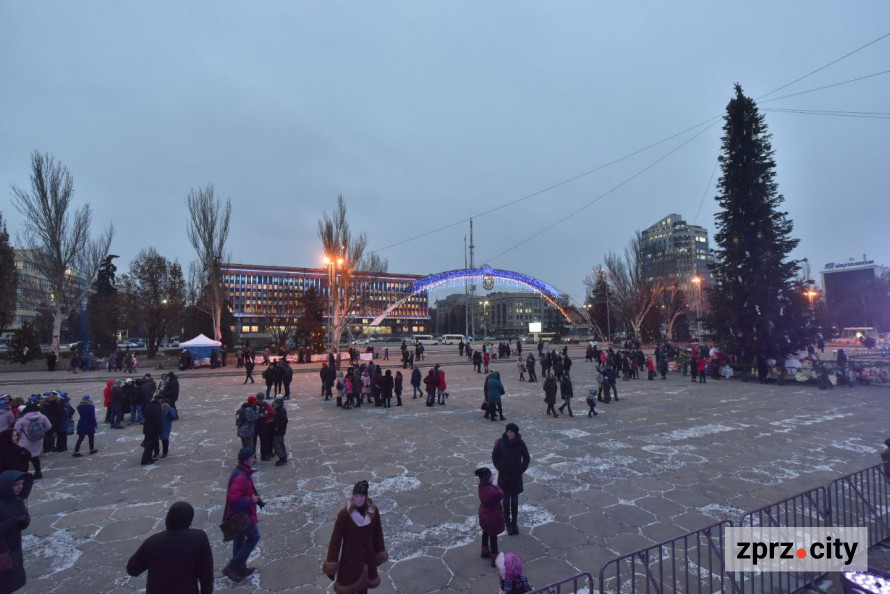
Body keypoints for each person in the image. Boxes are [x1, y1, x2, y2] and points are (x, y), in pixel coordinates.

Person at [126, 501, 214, 594]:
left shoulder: (152, 542)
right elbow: (206, 575)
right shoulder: (199, 538)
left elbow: (132, 570)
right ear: (189, 520)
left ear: (168, 518)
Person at [323, 480, 389, 593]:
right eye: (356, 495)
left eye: (362, 495)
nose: (359, 499)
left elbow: (378, 534)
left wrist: (379, 553)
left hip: (367, 561)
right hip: (349, 563)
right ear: (353, 496)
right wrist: (331, 565)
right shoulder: (344, 515)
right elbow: (335, 542)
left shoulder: (373, 512)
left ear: (366, 496)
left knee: (364, 589)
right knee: (349, 589)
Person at [222, 448, 262, 582]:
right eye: (252, 457)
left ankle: (240, 567)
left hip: (240, 515)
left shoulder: (242, 472)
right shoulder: (241, 477)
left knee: (239, 539)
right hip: (243, 516)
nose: (254, 460)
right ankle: (233, 566)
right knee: (254, 537)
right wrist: (251, 500)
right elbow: (234, 500)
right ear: (246, 460)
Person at [492, 423, 530, 536]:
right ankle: (507, 523)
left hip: (516, 477)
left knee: (515, 501)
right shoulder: (502, 442)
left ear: (515, 433)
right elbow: (494, 456)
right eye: (508, 431)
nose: (509, 434)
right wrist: (500, 467)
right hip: (505, 476)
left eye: (512, 432)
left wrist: (521, 469)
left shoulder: (520, 443)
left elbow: (527, 458)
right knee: (506, 500)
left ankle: (514, 523)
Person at [0, 470, 33, 594]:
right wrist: (14, 521)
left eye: (22, 483)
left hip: (14, 546)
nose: (20, 487)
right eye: (16, 484)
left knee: (13, 579)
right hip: (2, 549)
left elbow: (19, 524)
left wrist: (24, 522)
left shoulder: (17, 500)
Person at [474, 467, 504, 567]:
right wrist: (496, 486)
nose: (492, 477)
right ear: (487, 478)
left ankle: (484, 550)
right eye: (491, 476)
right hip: (493, 517)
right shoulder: (492, 492)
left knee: (485, 532)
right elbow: (500, 494)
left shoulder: (481, 486)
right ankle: (495, 557)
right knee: (493, 536)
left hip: (484, 515)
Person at [13, 403, 50, 479]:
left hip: (25, 441)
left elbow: (16, 431)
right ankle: (38, 473)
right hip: (38, 440)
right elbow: (49, 426)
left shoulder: (22, 420)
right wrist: (41, 432)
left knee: (24, 459)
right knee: (35, 457)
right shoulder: (42, 417)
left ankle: (24, 475)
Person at [141, 393, 164, 466]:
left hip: (147, 428)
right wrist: (160, 429)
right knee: (149, 446)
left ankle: (149, 458)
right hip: (153, 429)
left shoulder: (149, 405)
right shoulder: (157, 407)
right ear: (160, 400)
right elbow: (158, 420)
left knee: (150, 445)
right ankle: (145, 460)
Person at [271, 396, 288, 466]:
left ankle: (282, 457)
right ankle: (284, 456)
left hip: (279, 431)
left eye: (276, 403)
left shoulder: (281, 411)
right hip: (281, 430)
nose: (274, 404)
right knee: (281, 443)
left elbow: (285, 421)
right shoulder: (279, 409)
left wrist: (277, 426)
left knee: (276, 444)